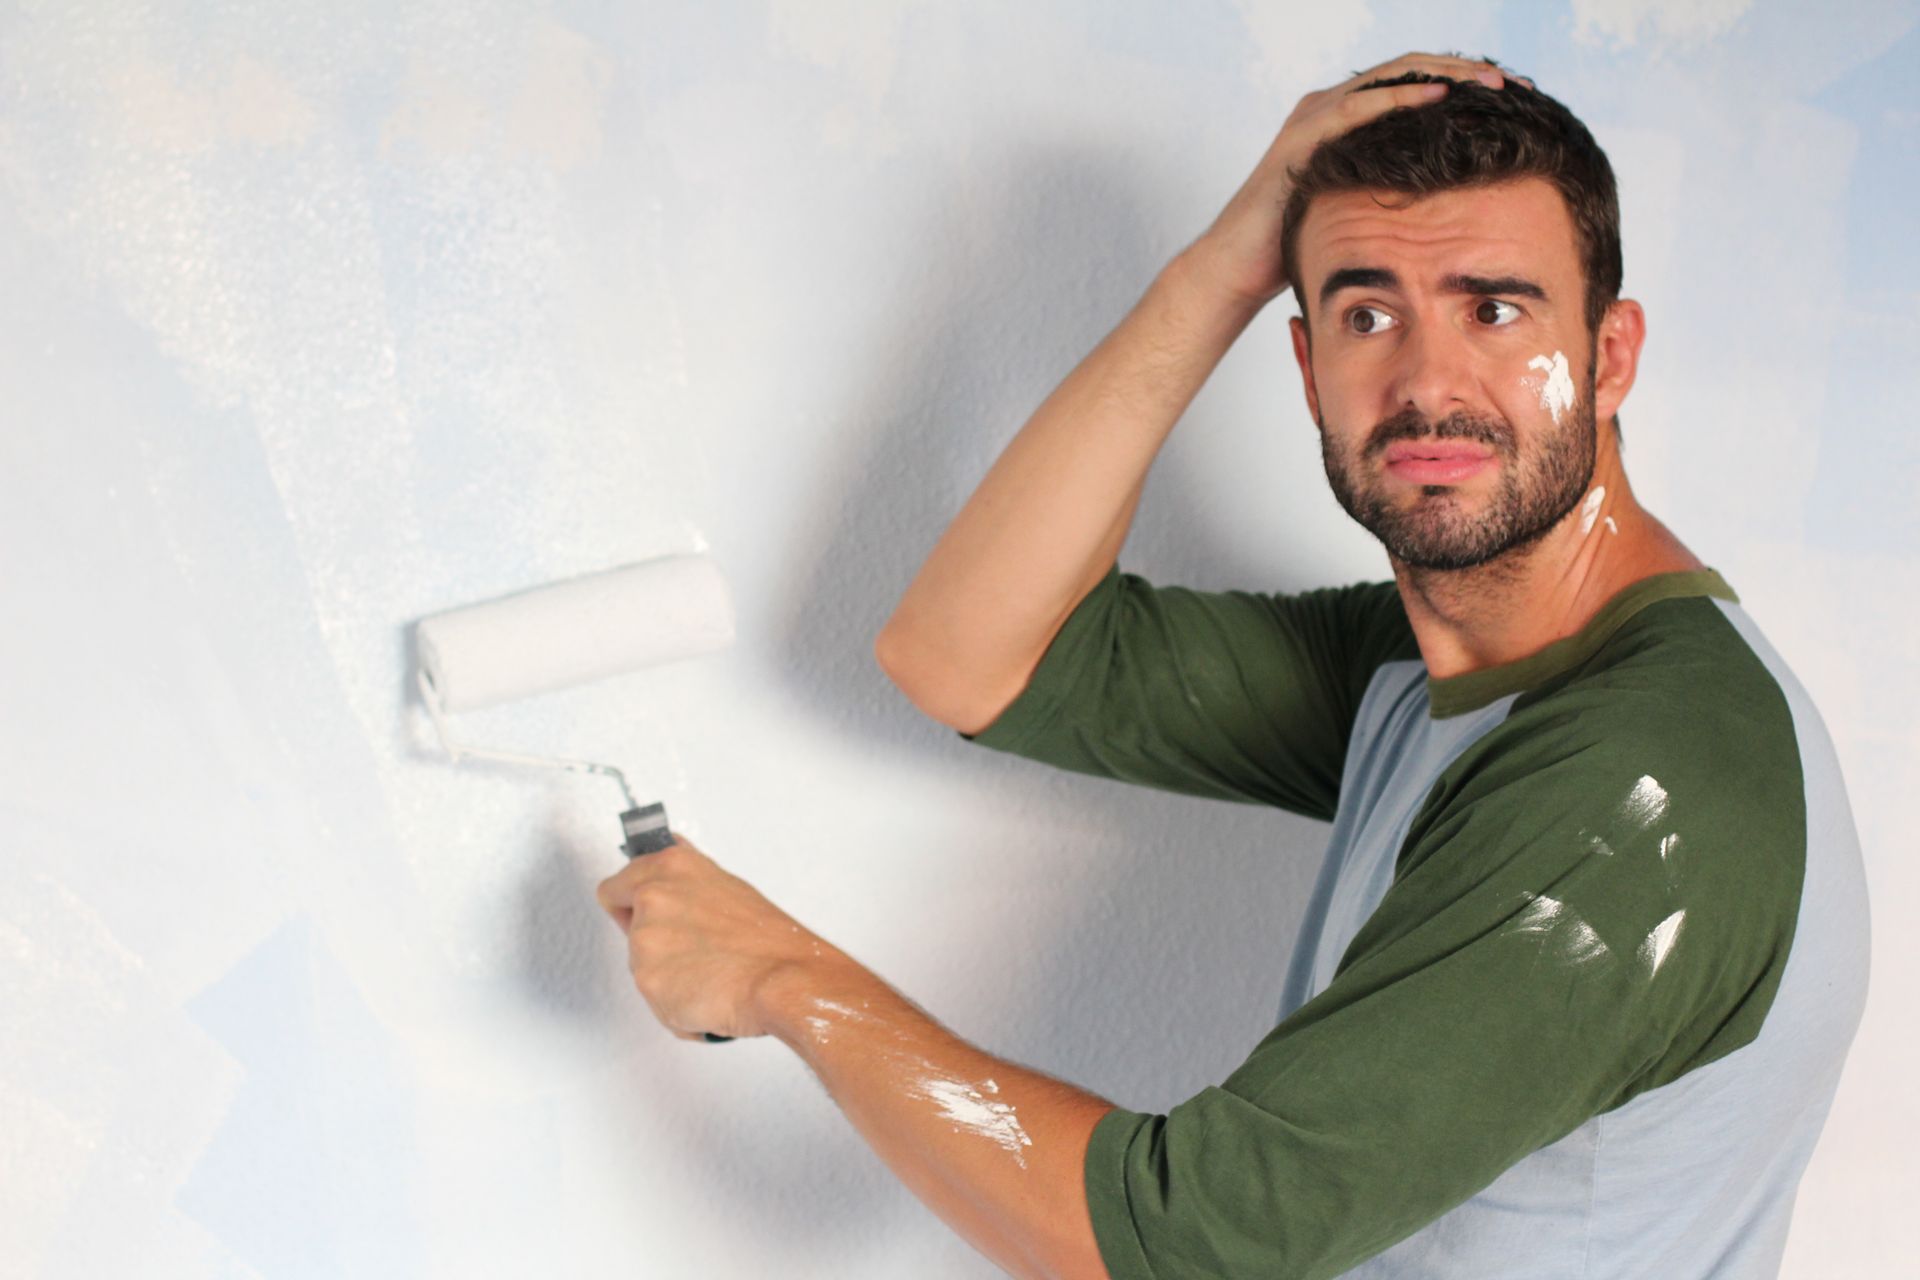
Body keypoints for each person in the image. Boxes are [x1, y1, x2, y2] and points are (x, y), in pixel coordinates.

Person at [596, 52, 1871, 1278]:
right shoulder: (1434, 659)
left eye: (1496, 309)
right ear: (1309, 365)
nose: (1429, 382)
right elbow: (967, 651)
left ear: (1611, 353)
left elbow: (1182, 1242)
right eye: (1368, 311)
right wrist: (1218, 272)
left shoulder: (1639, 778)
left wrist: (786, 977)